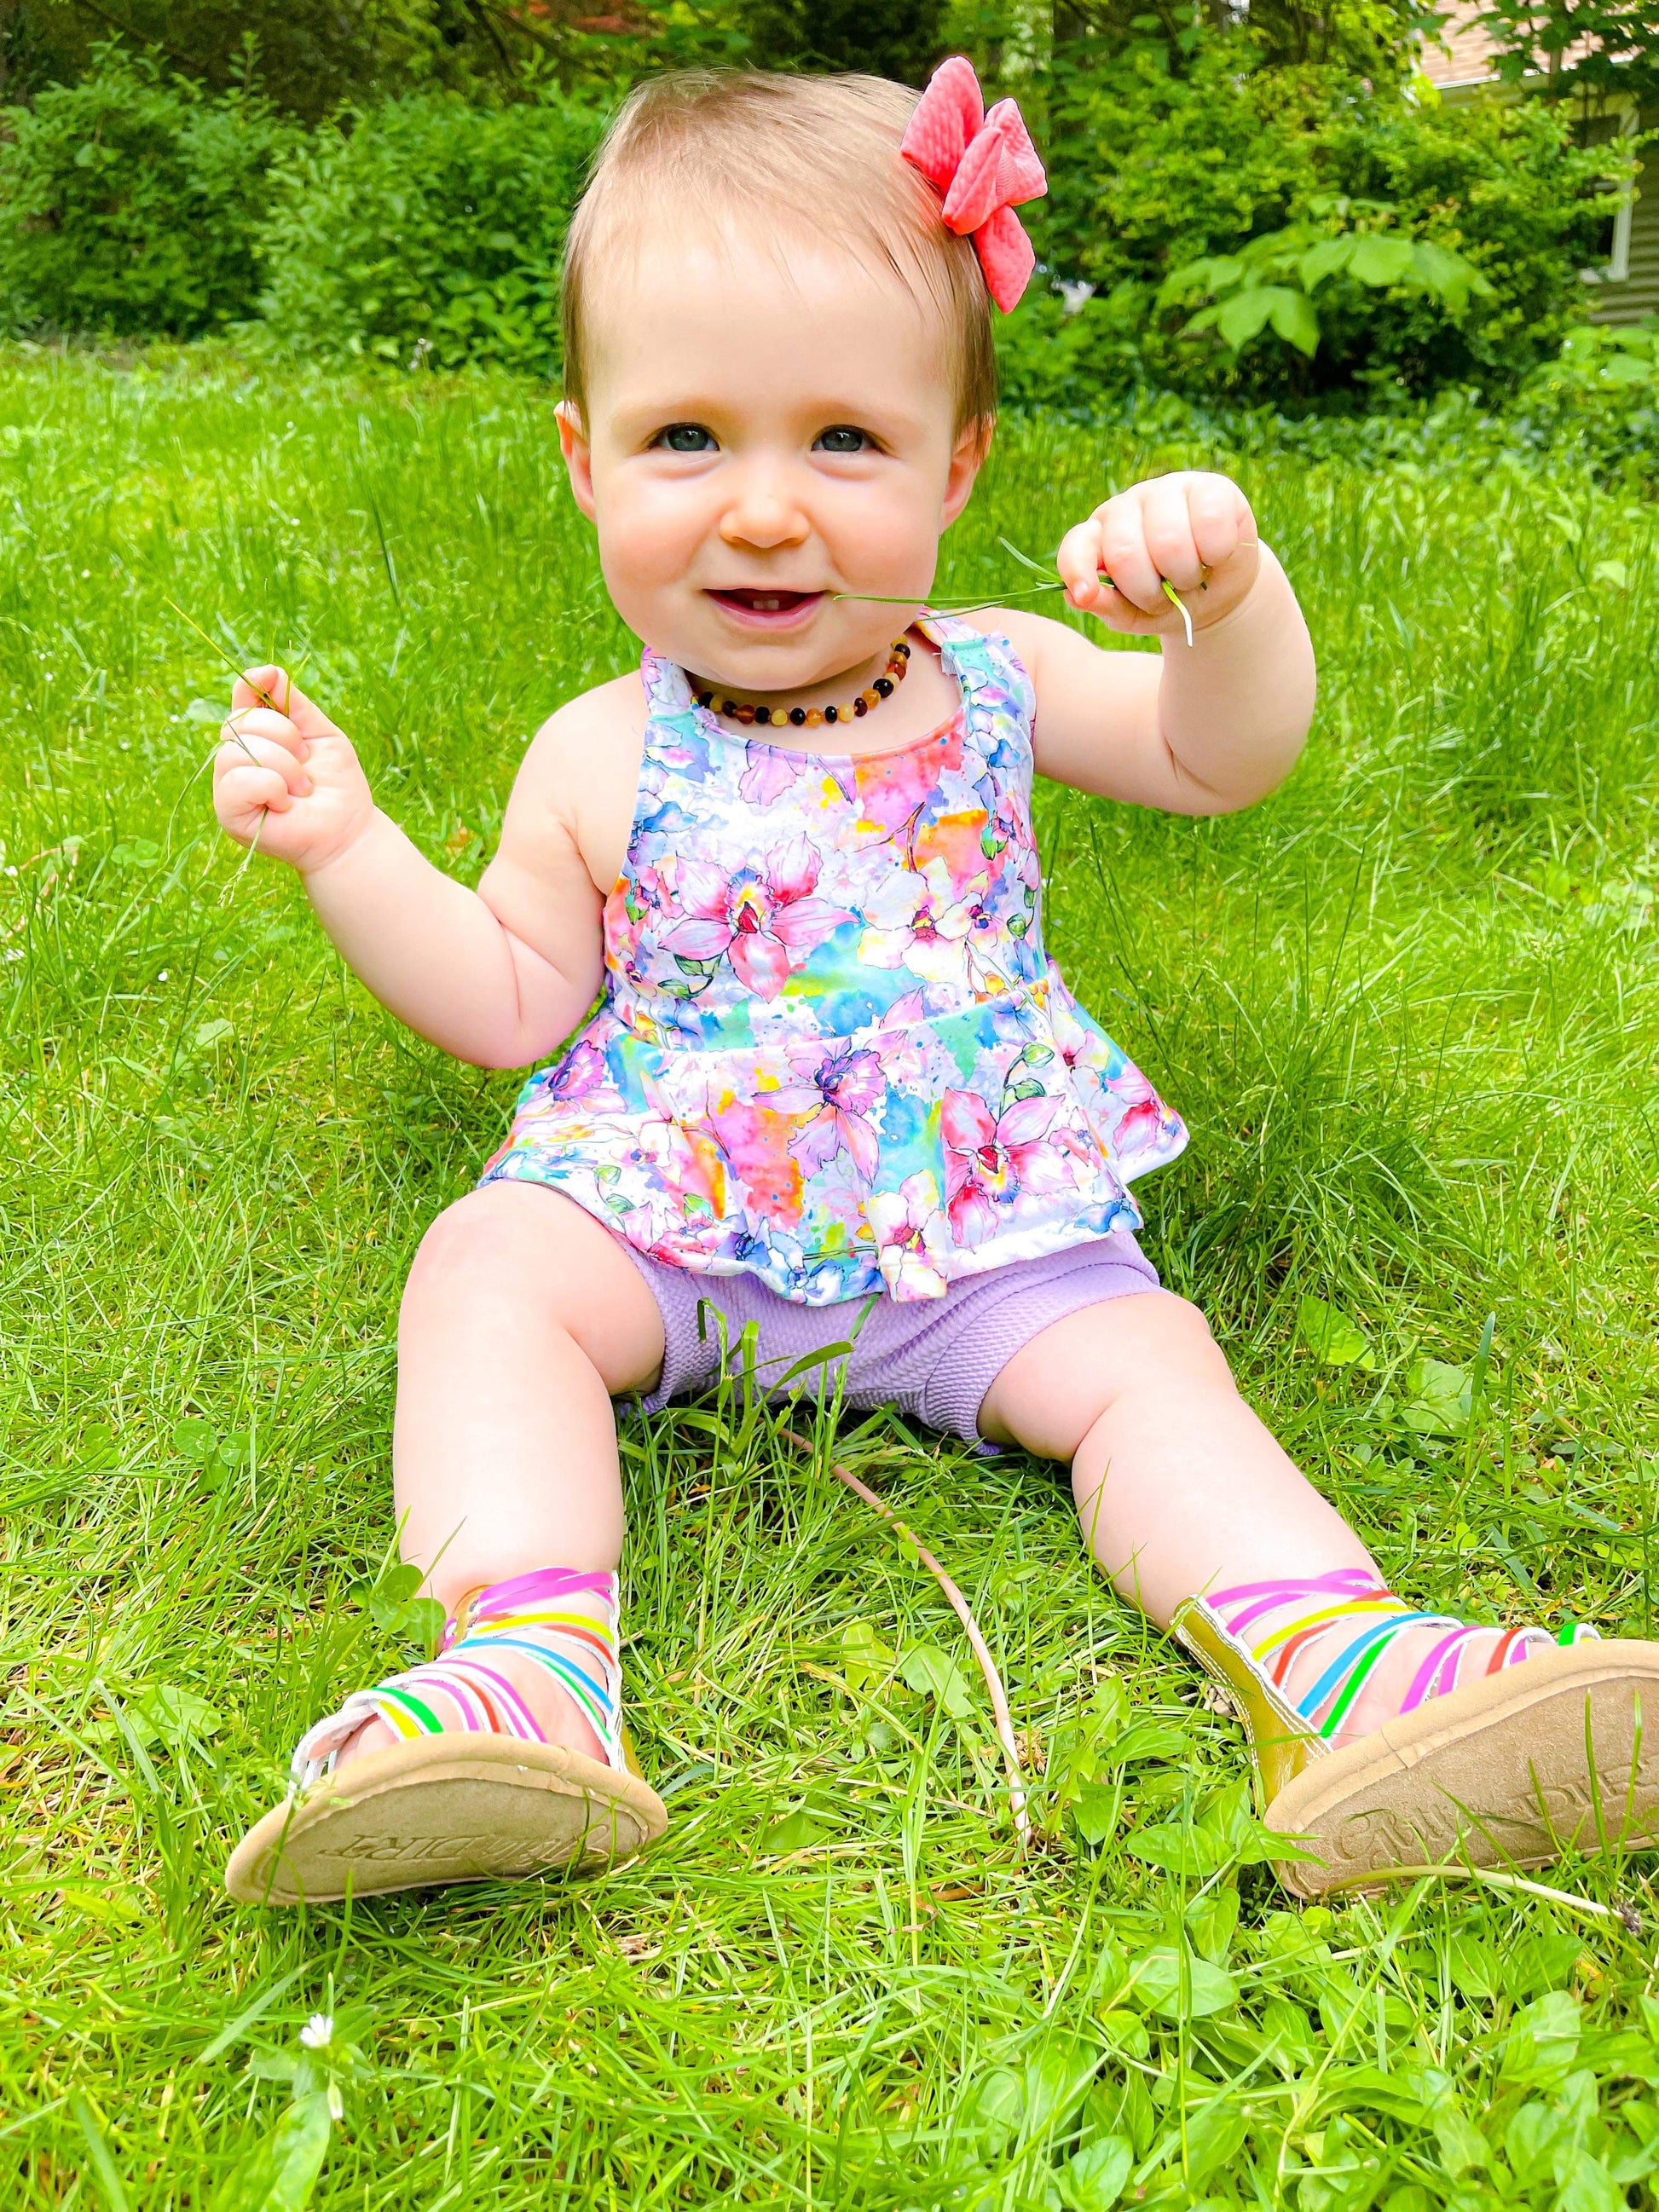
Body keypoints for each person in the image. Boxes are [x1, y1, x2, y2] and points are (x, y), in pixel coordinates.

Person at [217, 61, 1659, 1908]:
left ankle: (1348, 1664)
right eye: (684, 441)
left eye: (842, 441)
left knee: (1156, 1373)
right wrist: (350, 848)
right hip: (672, 1231)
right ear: (582, 456)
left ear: (953, 462)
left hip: (991, 1239)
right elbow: (507, 997)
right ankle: (525, 1665)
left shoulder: (998, 675)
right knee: (486, 1266)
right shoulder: (592, 750)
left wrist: (1231, 602)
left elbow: (1224, 758)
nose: (760, 512)